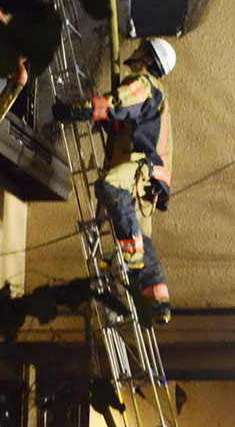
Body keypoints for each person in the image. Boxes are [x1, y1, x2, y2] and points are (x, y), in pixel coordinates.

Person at [53, 37, 176, 324]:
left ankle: (130, 258)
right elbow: (124, 119)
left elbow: (119, 103)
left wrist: (79, 110)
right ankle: (158, 302)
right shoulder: (156, 94)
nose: (134, 51)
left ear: (147, 60)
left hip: (141, 167)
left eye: (140, 49)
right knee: (143, 238)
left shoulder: (143, 83)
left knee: (109, 184)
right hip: (150, 178)